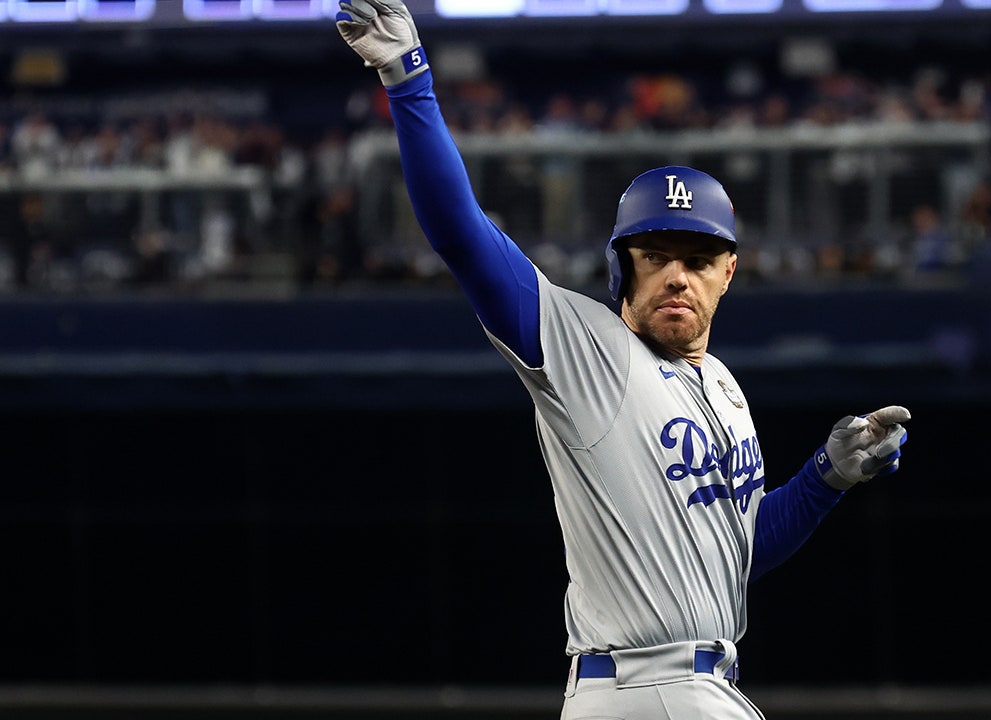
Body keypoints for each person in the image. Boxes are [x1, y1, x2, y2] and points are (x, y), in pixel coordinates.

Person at [335, 3, 912, 718]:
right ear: (622, 269)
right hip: (646, 686)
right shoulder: (589, 351)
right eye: (656, 256)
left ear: (727, 272)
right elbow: (461, 235)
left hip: (692, 685)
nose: (677, 275)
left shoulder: (725, 388)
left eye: (698, 259)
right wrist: (407, 78)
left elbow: (731, 555)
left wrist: (824, 481)